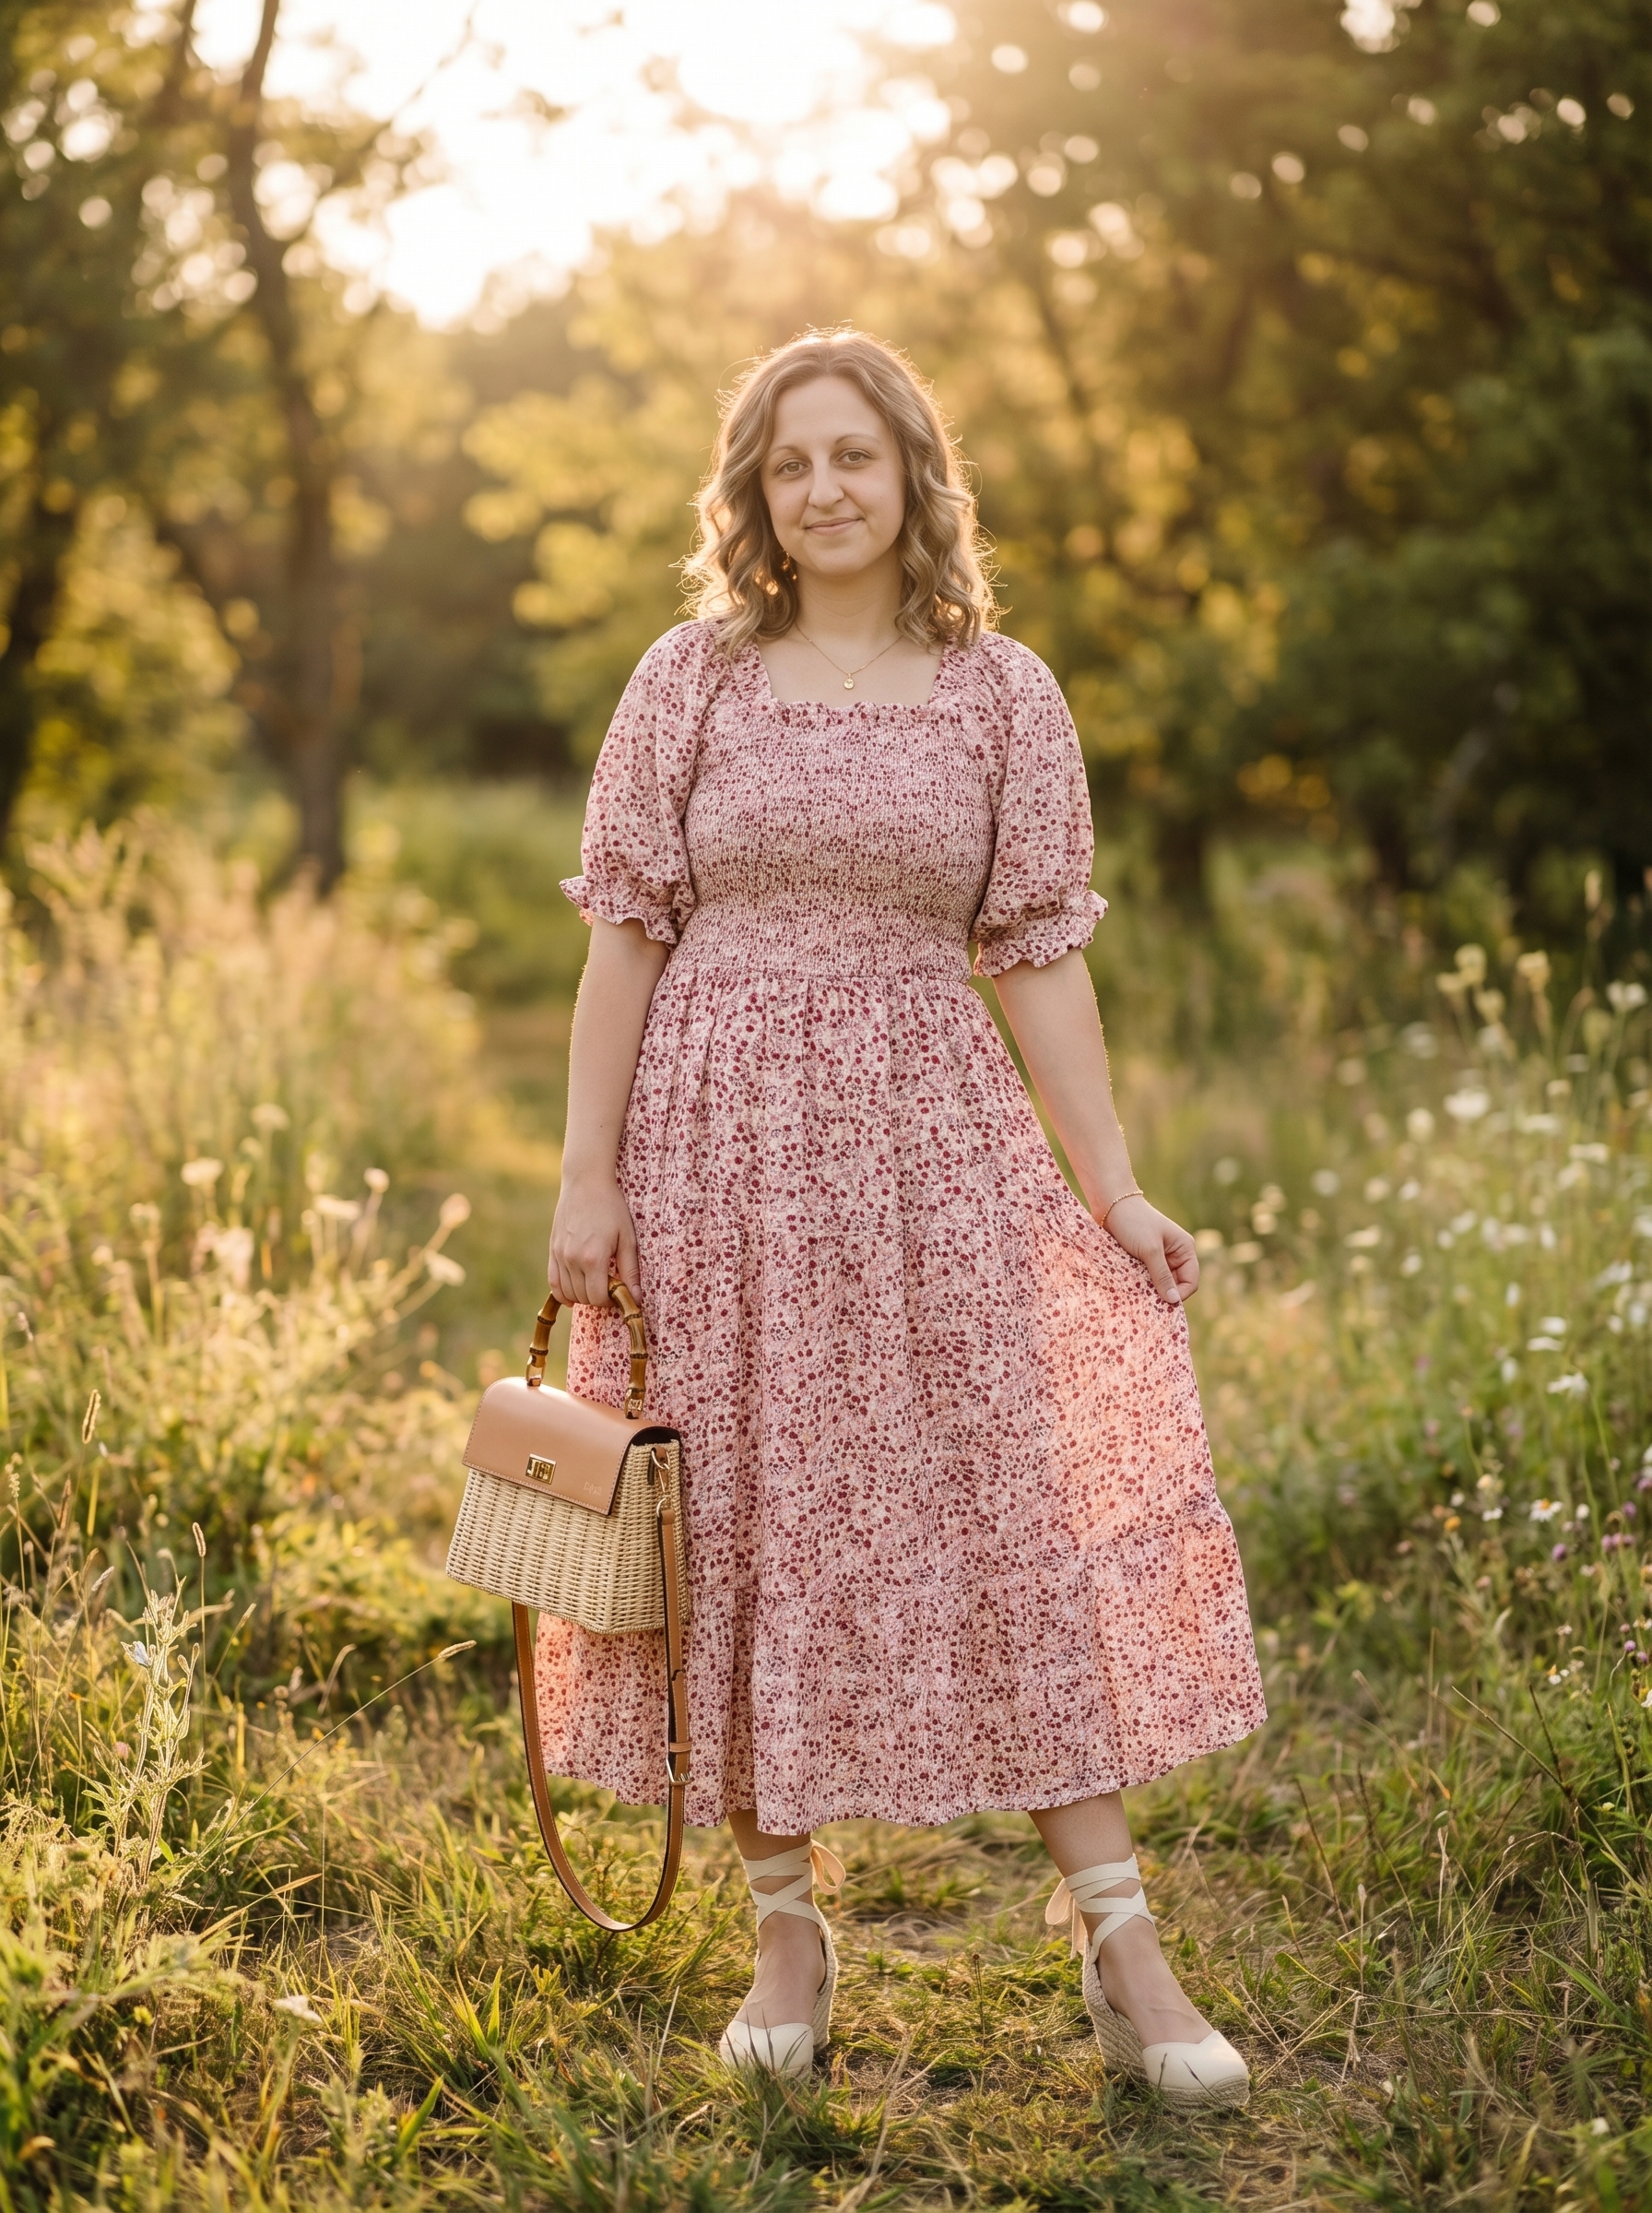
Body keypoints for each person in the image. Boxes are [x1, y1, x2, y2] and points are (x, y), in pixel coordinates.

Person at [541, 328, 1266, 2108]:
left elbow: (1041, 957)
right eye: (790, 463)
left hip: (935, 1148)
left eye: (854, 455)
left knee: (1002, 1500)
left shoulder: (1005, 693)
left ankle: (1123, 1944)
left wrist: (1112, 1186)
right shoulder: (689, 680)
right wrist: (585, 1176)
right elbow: (624, 937)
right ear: (754, 493)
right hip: (715, 1152)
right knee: (738, 1519)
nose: (824, 490)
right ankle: (785, 1930)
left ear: (914, 474)